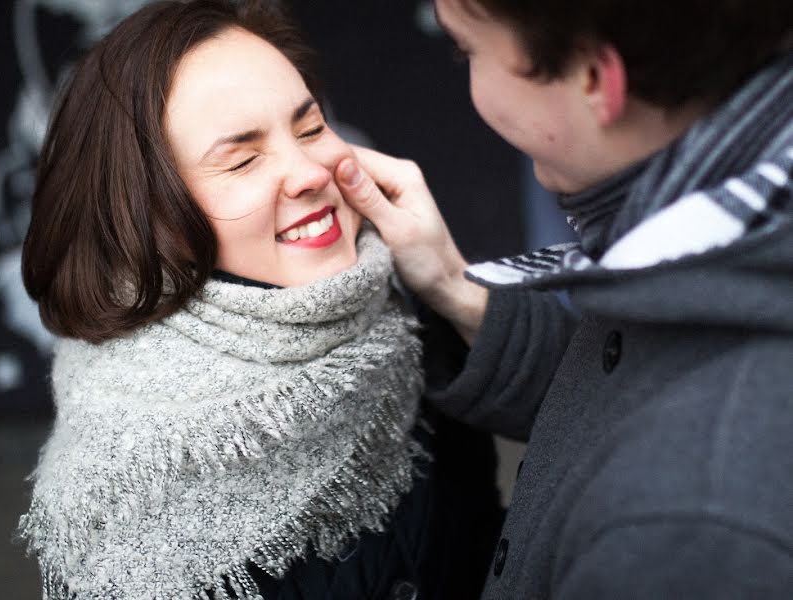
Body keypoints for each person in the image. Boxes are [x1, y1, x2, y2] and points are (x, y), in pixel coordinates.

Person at [17, 1, 500, 599]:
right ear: (147, 219)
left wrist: (456, 290)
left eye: (310, 127)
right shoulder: (126, 486)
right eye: (243, 159)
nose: (309, 172)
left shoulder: (406, 315)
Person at [331, 0, 793, 598]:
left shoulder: (692, 529)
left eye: (467, 50)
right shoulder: (729, 241)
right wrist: (454, 285)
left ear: (594, 80)